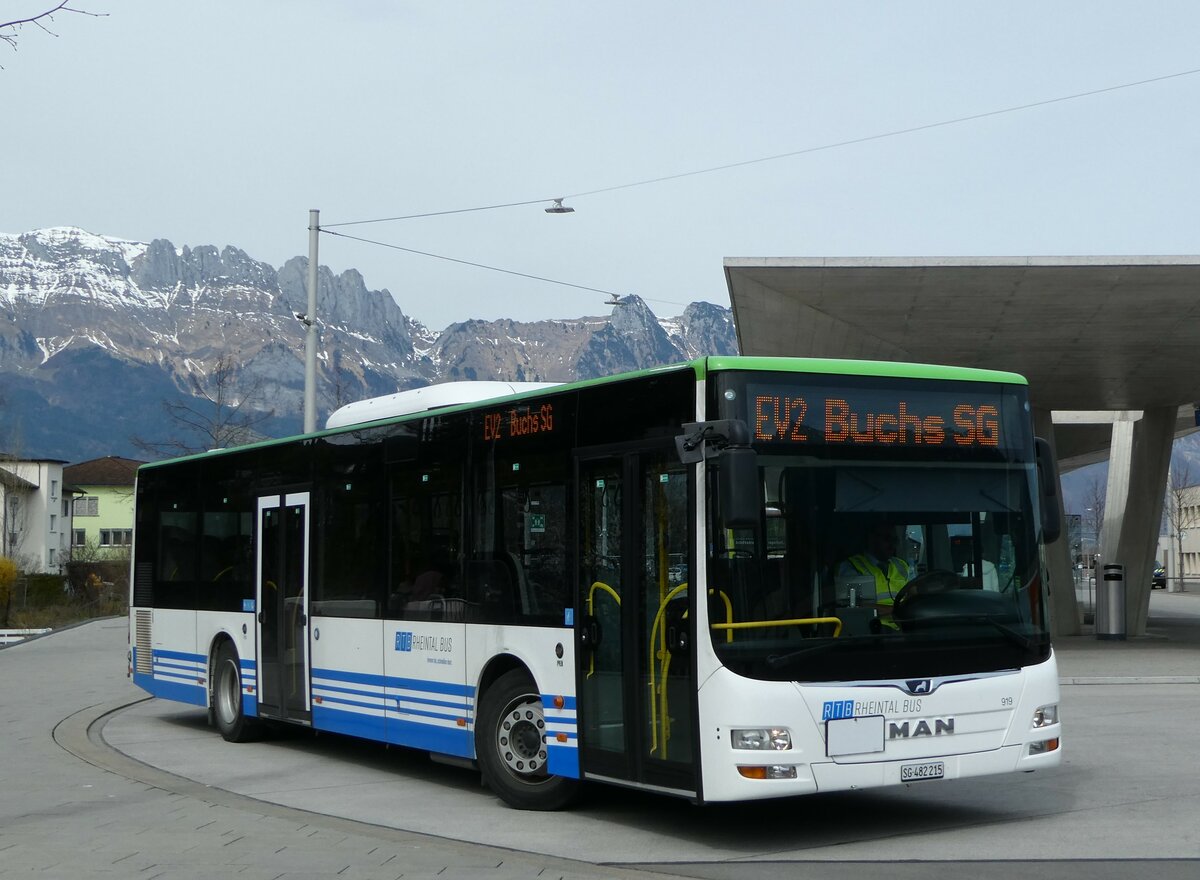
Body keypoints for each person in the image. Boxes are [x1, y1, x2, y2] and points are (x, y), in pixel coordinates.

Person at [837, 522, 914, 627]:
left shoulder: (902, 565)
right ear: (872, 539)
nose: (892, 545)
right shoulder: (852, 566)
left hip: (908, 633)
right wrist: (897, 610)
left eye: (895, 540)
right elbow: (856, 608)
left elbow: (915, 595)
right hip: (874, 635)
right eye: (887, 539)